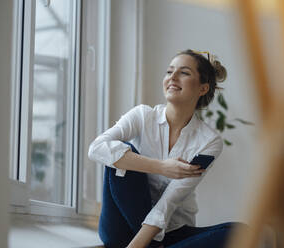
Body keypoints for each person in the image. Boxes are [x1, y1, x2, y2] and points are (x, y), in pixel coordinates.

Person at [88, 49, 243, 248]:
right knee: (122, 150)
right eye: (169, 72)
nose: (172, 78)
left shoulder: (209, 141)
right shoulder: (142, 116)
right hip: (121, 229)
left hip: (171, 232)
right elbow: (96, 148)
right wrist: (161, 167)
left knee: (239, 233)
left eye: (184, 73)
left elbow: (168, 203)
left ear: (203, 88)